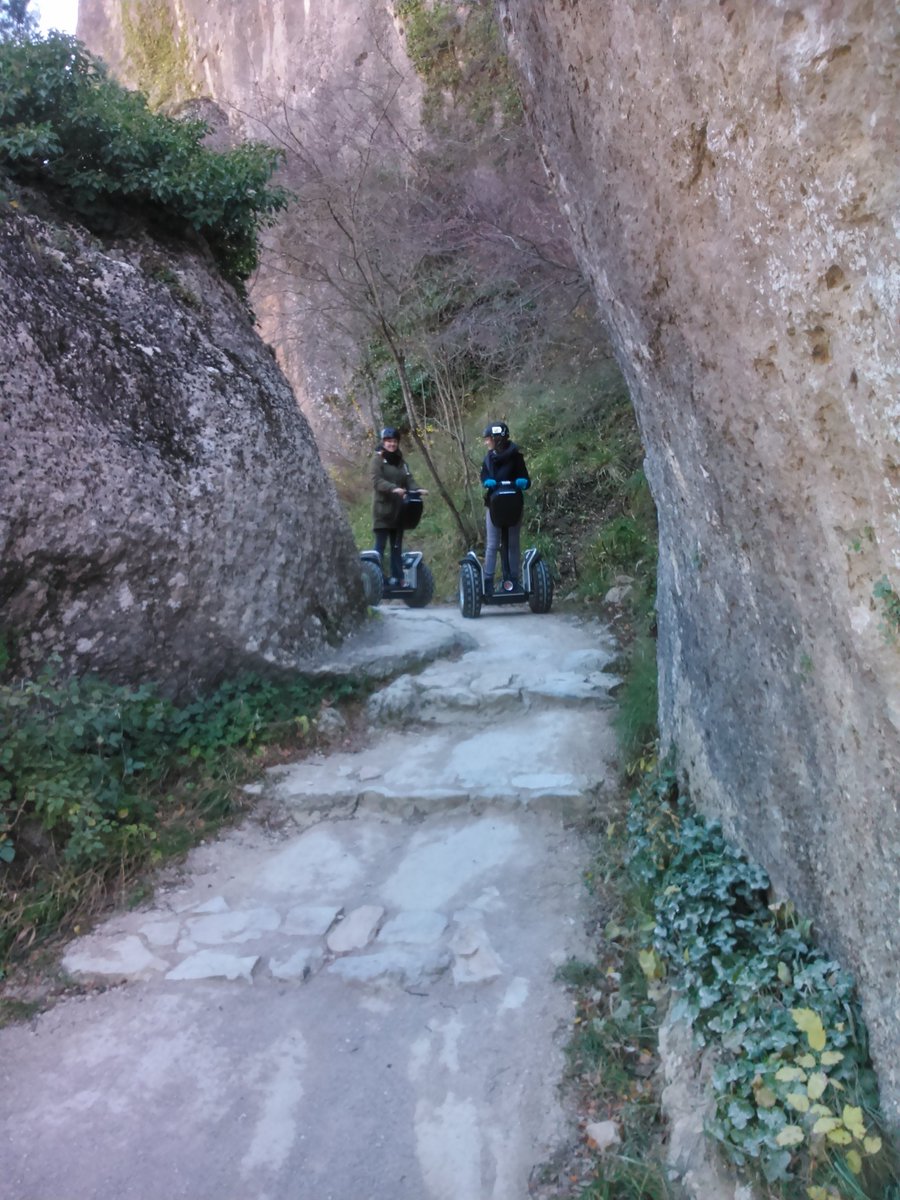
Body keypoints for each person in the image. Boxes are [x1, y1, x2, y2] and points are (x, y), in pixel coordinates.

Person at [371, 427, 425, 585]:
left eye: (394, 442)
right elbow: (376, 481)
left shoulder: (402, 462)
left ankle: (398, 578)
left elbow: (409, 479)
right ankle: (377, 580)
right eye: (388, 442)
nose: (392, 444)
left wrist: (417, 489)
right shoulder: (377, 460)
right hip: (382, 512)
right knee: (380, 547)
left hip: (399, 511)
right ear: (383, 442)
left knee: (396, 547)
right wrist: (393, 488)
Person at [480, 421, 530, 594]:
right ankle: (488, 582)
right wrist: (487, 481)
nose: (486, 442)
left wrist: (523, 482)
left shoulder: (516, 457)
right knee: (493, 544)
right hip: (494, 505)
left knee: (513, 543)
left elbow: (525, 478)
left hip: (513, 503)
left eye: (488, 439)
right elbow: (484, 476)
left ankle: (513, 580)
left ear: (497, 438)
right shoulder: (488, 458)